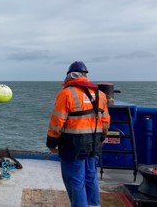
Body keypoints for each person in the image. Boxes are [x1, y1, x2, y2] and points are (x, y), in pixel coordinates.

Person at [46, 61, 110, 207]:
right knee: (91, 176)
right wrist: (102, 137)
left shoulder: (66, 93)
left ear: (70, 75)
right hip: (94, 143)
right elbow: (105, 120)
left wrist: (51, 142)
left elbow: (57, 121)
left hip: (73, 144)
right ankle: (94, 205)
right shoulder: (100, 95)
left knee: (75, 180)